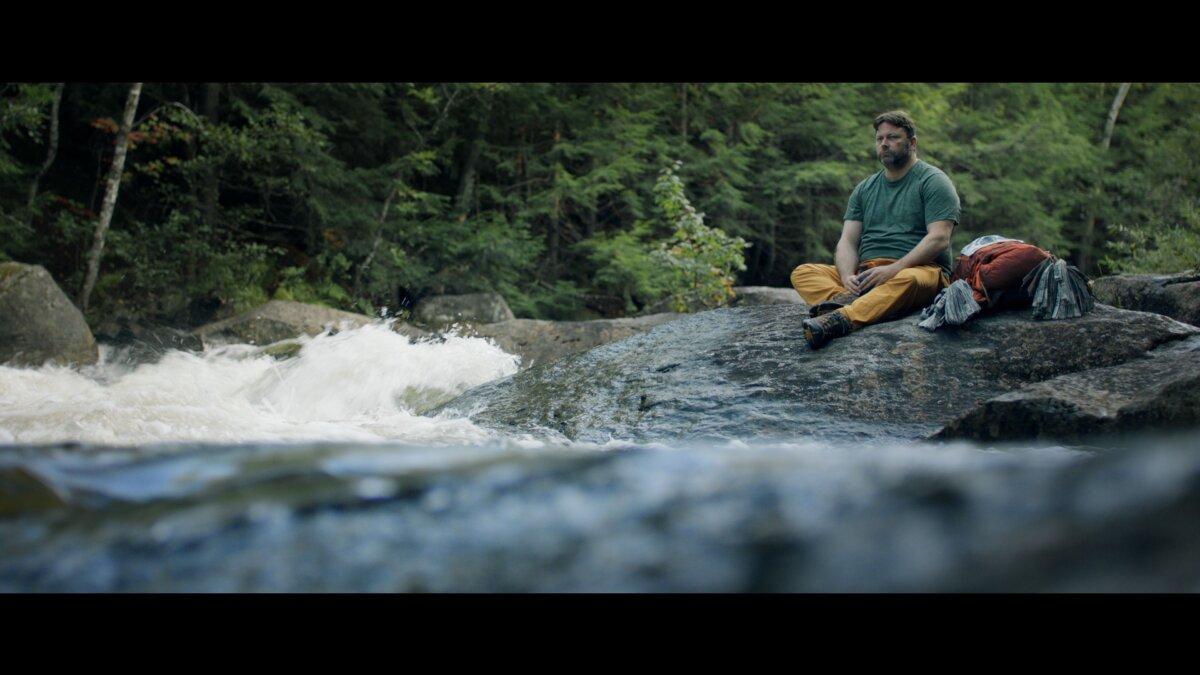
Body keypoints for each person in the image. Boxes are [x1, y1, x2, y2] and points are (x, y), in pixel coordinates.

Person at [790, 110, 961, 348]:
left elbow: (939, 238)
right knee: (804, 273)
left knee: (909, 280)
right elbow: (847, 242)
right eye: (880, 139)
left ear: (912, 143)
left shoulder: (933, 181)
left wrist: (895, 268)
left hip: (919, 271)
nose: (884, 144)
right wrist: (847, 276)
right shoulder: (864, 189)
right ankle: (856, 302)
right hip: (868, 274)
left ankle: (842, 318)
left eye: (893, 137)